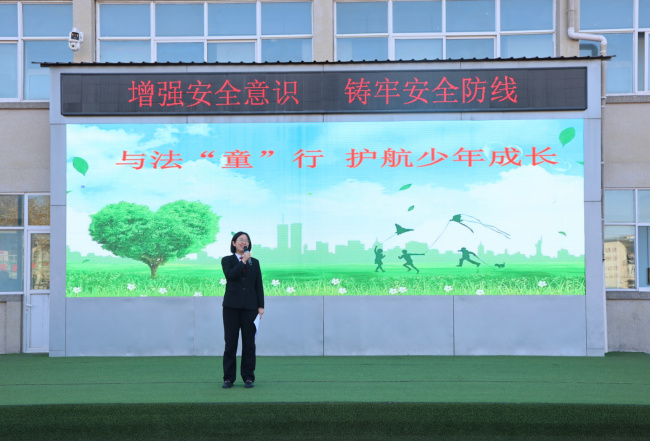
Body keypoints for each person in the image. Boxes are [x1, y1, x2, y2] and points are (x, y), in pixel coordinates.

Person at [221, 231, 264, 389]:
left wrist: (261, 306)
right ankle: (228, 378)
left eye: (246, 240)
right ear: (234, 243)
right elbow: (231, 275)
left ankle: (248, 377)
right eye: (240, 240)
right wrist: (243, 261)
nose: (243, 242)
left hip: (250, 308)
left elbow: (258, 284)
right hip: (231, 308)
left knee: (249, 344)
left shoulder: (255, 262)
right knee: (230, 344)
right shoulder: (227, 260)